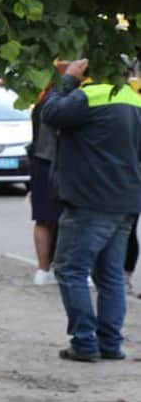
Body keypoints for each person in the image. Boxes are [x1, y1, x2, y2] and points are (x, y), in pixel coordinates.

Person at [40, 57, 141, 362]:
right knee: (110, 275)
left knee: (70, 269)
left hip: (90, 200)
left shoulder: (89, 96)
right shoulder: (133, 99)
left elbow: (50, 113)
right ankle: (110, 344)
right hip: (124, 200)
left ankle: (84, 342)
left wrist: (67, 79)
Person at [28, 63, 66, 285]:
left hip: (40, 163)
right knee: (65, 218)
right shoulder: (63, 101)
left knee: (43, 219)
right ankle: (60, 268)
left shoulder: (42, 100)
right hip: (58, 163)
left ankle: (43, 270)